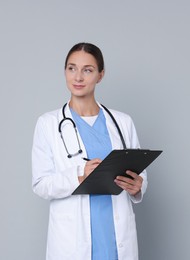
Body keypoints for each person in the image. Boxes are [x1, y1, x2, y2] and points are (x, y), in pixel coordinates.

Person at [32, 42, 147, 260]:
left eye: (88, 70)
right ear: (64, 71)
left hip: (116, 238)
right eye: (71, 68)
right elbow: (41, 184)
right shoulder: (47, 124)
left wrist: (137, 186)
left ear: (100, 75)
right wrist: (79, 176)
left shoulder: (123, 122)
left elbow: (140, 174)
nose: (78, 77)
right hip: (72, 242)